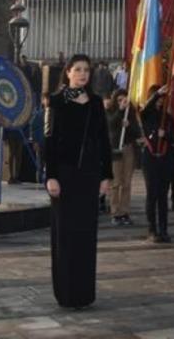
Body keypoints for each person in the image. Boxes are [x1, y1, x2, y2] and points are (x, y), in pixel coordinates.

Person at [45, 53, 112, 310]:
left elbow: (103, 141)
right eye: (78, 69)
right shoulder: (56, 102)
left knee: (86, 235)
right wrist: (51, 175)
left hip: (89, 177)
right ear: (68, 73)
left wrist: (106, 175)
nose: (83, 74)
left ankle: (84, 294)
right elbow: (49, 142)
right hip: (64, 175)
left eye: (87, 70)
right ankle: (66, 293)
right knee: (65, 235)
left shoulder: (95, 103)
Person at [138, 85, 174, 243]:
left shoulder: (168, 118)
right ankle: (152, 229)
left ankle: (164, 229)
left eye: (162, 99)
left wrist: (165, 134)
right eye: (158, 98)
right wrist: (157, 93)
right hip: (150, 158)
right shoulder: (146, 115)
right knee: (152, 194)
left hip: (165, 158)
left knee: (163, 195)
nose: (160, 101)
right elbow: (145, 109)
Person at [104, 89, 137, 226]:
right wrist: (120, 111)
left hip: (128, 148)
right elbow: (110, 124)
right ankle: (115, 211)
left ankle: (125, 211)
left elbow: (136, 131)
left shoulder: (131, 113)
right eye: (119, 100)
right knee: (115, 183)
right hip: (115, 149)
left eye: (124, 100)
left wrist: (129, 126)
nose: (122, 103)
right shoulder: (111, 111)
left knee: (126, 182)